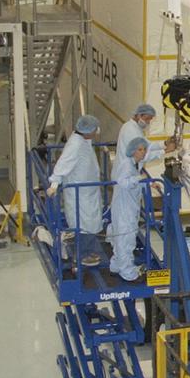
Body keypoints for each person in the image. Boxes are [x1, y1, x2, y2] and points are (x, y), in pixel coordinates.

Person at [47, 115, 103, 267]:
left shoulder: (83, 139)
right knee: (84, 224)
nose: (96, 132)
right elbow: (63, 163)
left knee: (89, 223)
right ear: (87, 131)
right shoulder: (75, 144)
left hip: (88, 191)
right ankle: (82, 255)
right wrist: (54, 184)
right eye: (94, 129)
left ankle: (89, 251)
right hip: (80, 194)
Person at [107, 136, 148, 282]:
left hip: (126, 208)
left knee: (121, 240)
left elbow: (134, 182)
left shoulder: (133, 165)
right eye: (140, 149)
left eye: (144, 150)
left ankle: (116, 266)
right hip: (125, 210)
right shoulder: (126, 165)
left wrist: (147, 183)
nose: (143, 152)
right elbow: (124, 182)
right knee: (126, 241)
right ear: (132, 151)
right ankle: (128, 274)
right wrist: (140, 179)